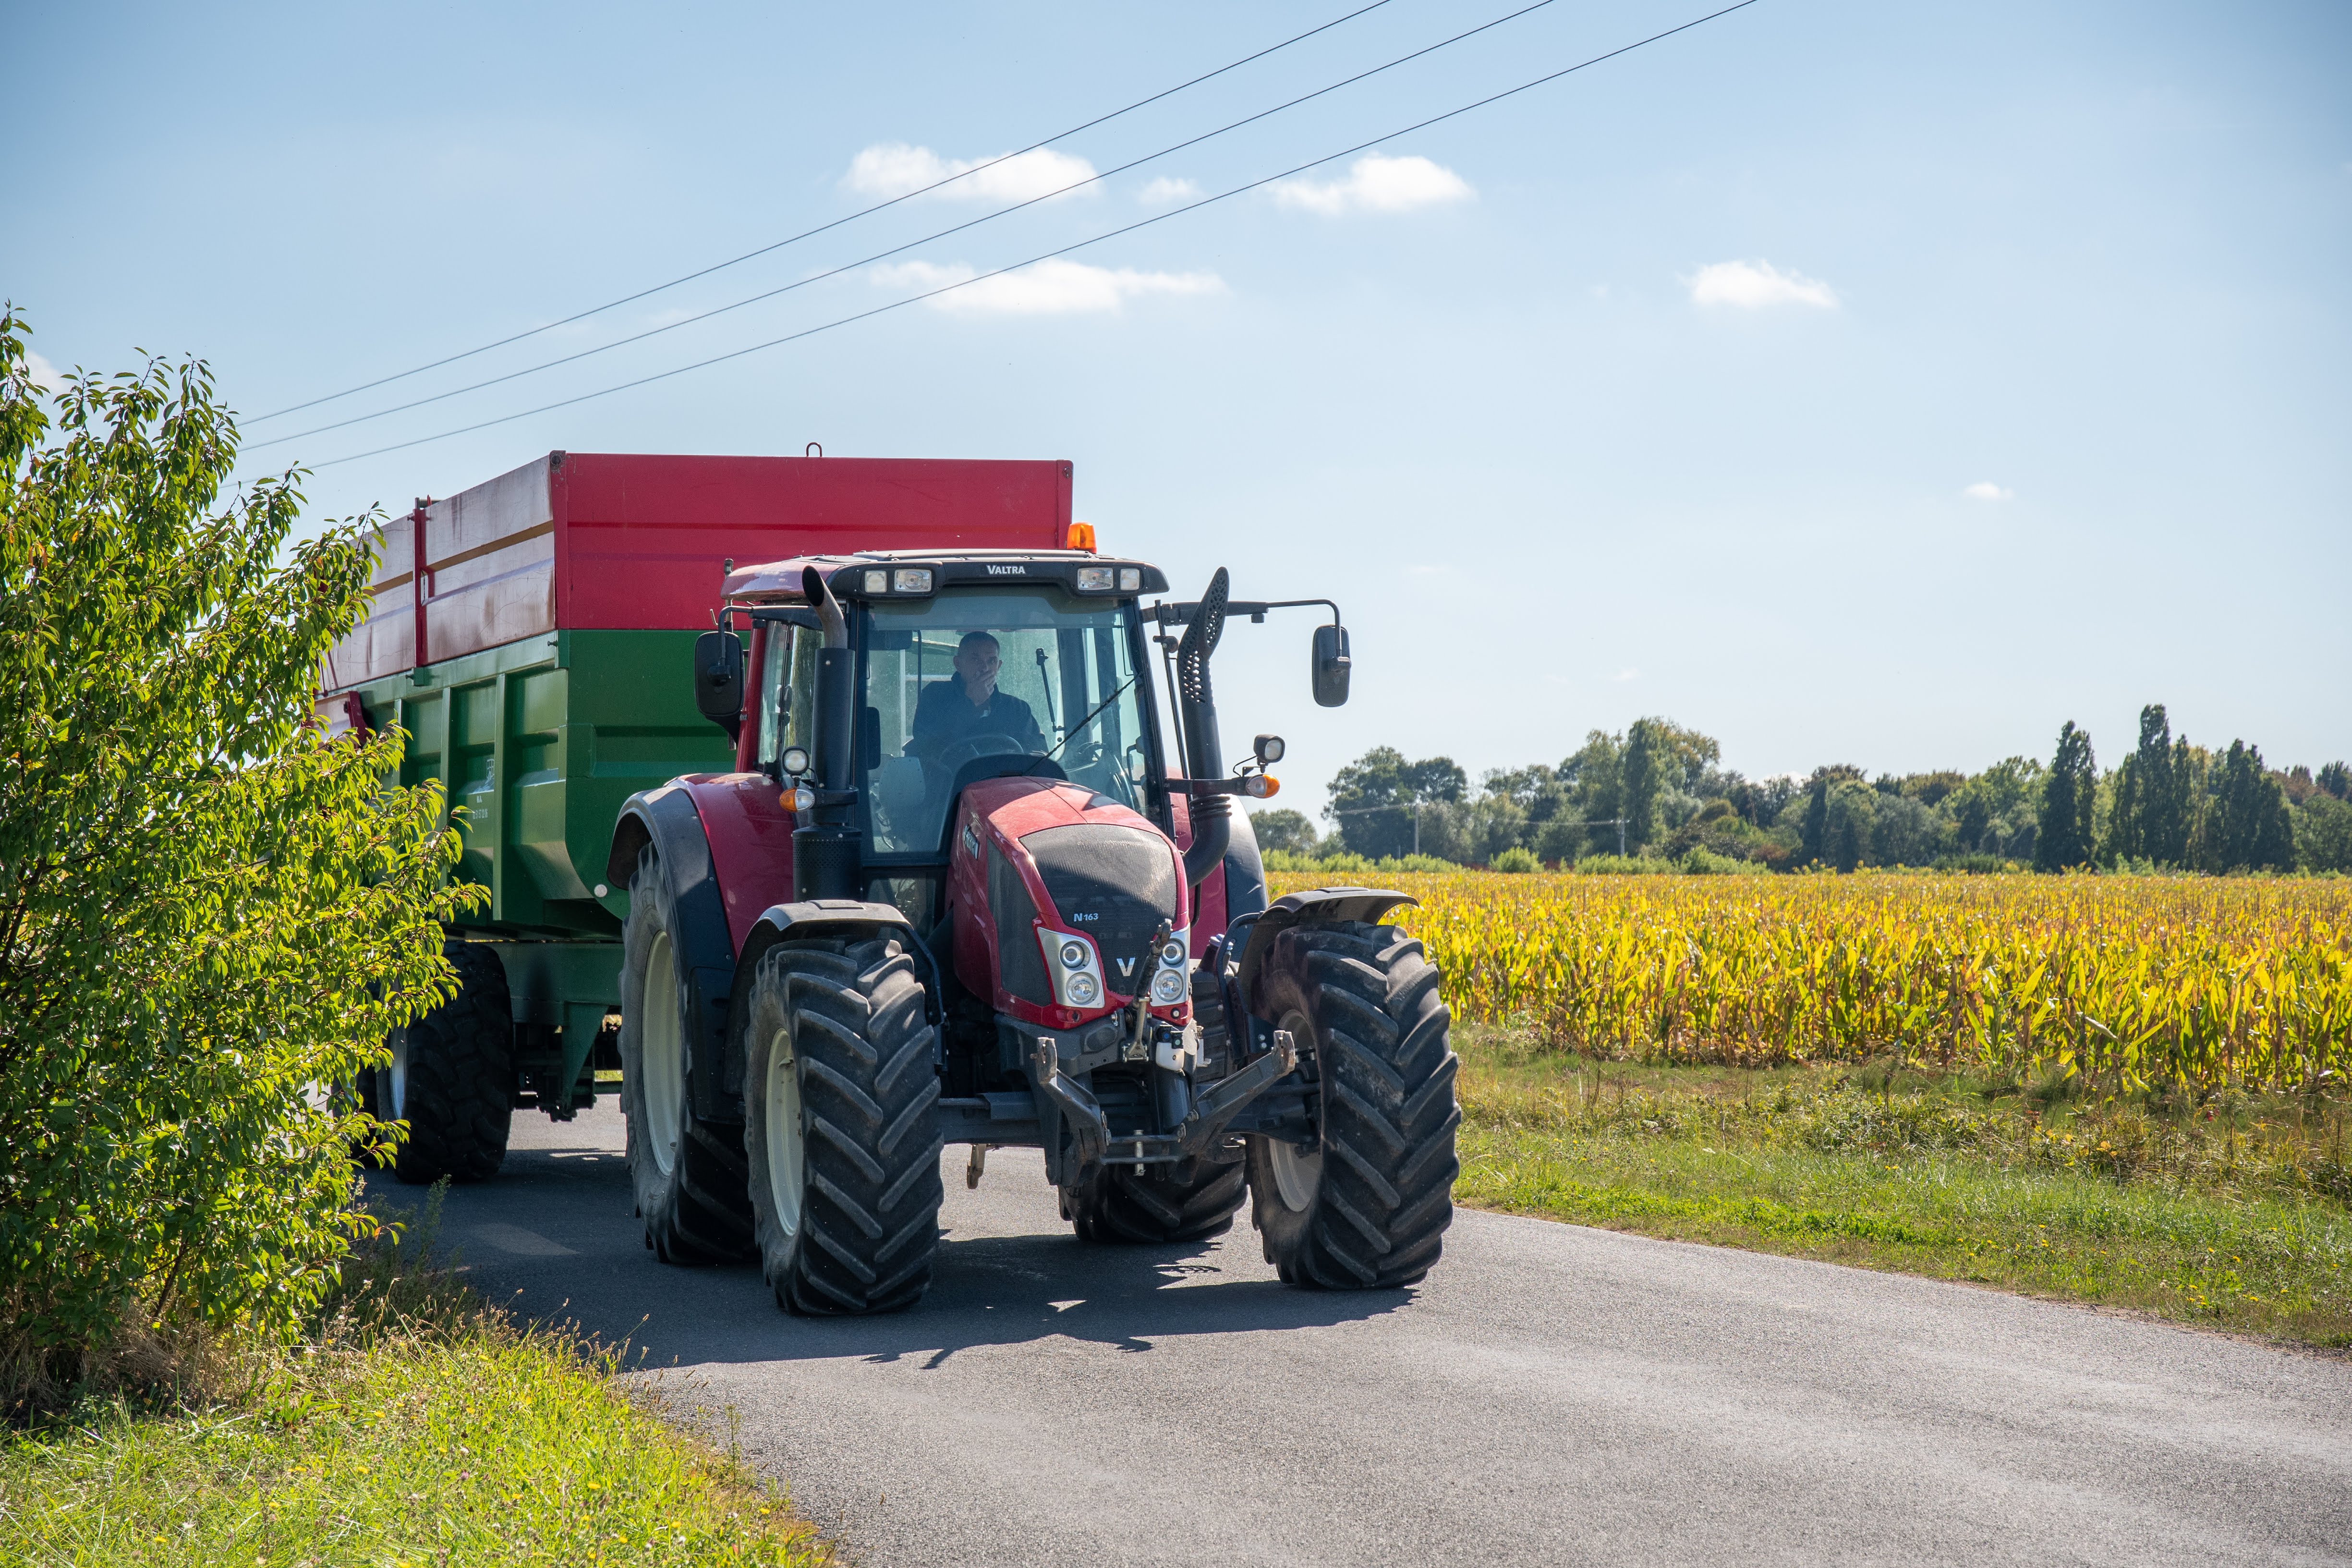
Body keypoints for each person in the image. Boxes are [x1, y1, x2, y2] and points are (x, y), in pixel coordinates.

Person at [908, 631, 1046, 768]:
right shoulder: (935, 696)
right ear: (958, 664)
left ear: (998, 666)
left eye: (992, 661)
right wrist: (972, 701)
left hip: (1004, 780)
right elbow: (926, 745)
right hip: (949, 781)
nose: (985, 668)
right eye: (975, 659)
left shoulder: (1017, 708)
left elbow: (1038, 755)